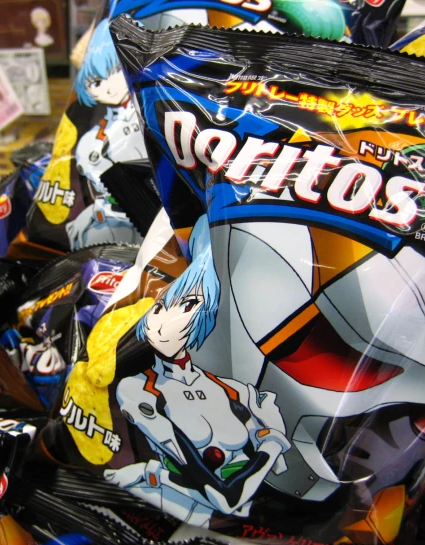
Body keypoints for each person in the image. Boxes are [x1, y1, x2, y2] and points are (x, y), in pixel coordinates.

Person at [105, 215, 290, 527]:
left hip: (242, 532)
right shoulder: (136, 389)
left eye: (188, 304)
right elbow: (223, 497)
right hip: (156, 514)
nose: (163, 321)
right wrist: (271, 445)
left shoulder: (237, 391)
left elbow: (270, 480)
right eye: (161, 306)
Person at [66, 19, 143, 249]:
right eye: (96, 81)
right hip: (109, 220)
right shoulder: (89, 136)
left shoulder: (152, 113)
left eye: (117, 70)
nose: (109, 86)